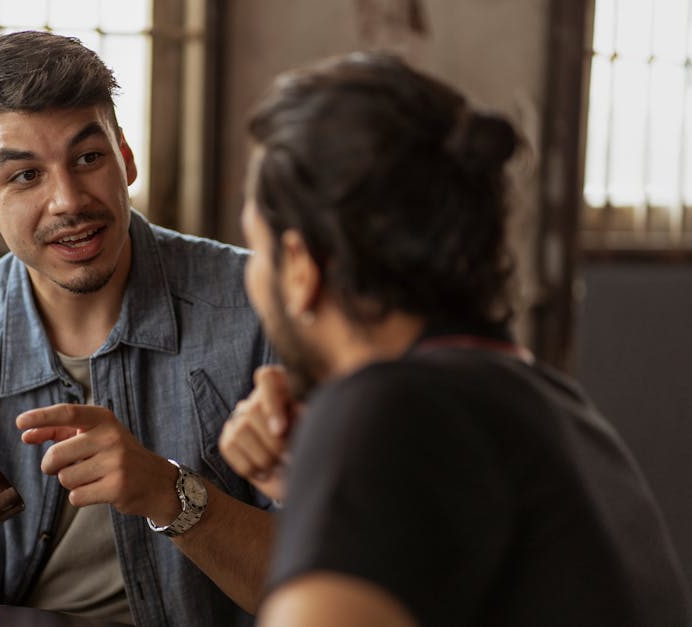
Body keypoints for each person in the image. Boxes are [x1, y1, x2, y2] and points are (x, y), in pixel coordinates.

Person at [220, 52, 692, 626]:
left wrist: (346, 456)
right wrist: (321, 495)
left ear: (300, 266)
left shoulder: (384, 408)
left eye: (255, 245)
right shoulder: (555, 405)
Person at [0, 31, 276, 627]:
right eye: (26, 176)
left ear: (126, 159)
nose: (68, 201)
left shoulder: (261, 308)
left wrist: (169, 494)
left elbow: (333, 584)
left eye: (88, 158)